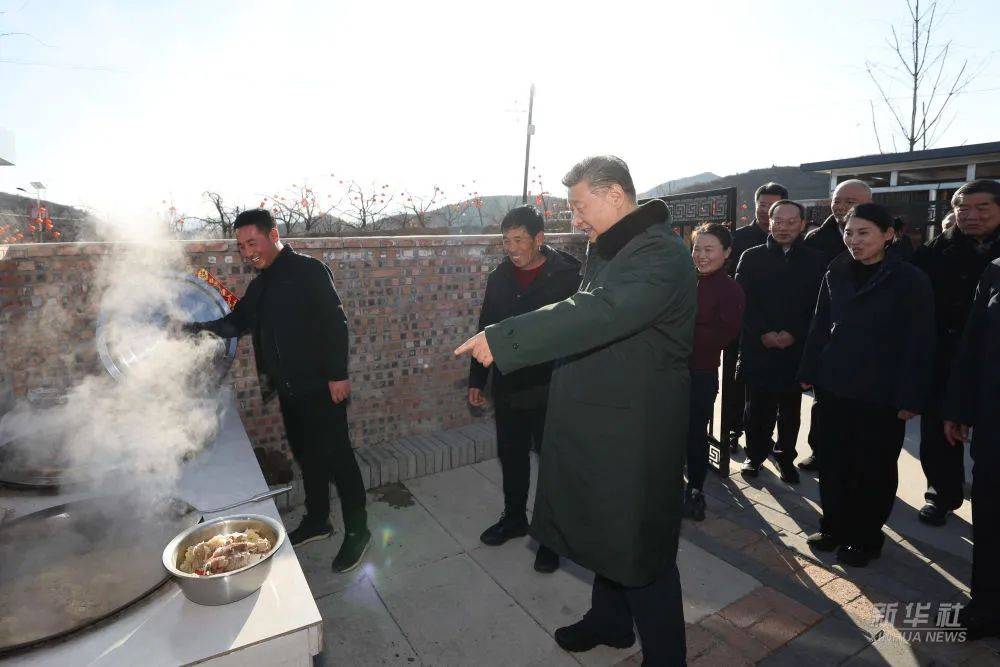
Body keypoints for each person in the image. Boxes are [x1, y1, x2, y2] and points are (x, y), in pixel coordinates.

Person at [455, 156, 696, 665]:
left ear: (615, 195)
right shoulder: (613, 248)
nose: (576, 219)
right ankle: (610, 622)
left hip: (637, 427)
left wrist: (507, 338)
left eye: (581, 206)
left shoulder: (659, 253)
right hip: (604, 418)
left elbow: (599, 312)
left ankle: (667, 657)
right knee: (607, 531)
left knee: (639, 546)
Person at [184, 209, 370, 573]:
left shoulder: (308, 271)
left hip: (321, 387)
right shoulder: (262, 284)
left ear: (274, 235)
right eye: (241, 246)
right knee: (308, 457)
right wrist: (191, 329)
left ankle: (358, 533)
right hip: (289, 391)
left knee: (339, 461)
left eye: (252, 242)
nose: (247, 252)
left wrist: (337, 375)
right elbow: (236, 322)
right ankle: (318, 520)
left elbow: (336, 323)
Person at [799, 203, 934, 567]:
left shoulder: (909, 279)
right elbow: (820, 323)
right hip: (835, 384)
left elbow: (919, 342)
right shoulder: (837, 269)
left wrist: (911, 395)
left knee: (872, 468)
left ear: (888, 234)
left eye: (863, 233)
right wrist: (809, 368)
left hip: (881, 392)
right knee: (834, 461)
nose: (853, 241)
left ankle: (865, 537)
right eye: (848, 232)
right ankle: (833, 527)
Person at [468, 205, 581, 573]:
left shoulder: (568, 276)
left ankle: (551, 536)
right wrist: (476, 380)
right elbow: (485, 328)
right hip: (510, 384)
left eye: (519, 240)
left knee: (552, 461)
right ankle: (514, 517)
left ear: (539, 238)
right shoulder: (499, 277)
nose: (512, 248)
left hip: (553, 385)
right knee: (512, 454)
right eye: (506, 241)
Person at [912, 179, 1000, 526]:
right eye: (962, 208)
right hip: (944, 356)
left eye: (982, 208)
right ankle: (941, 494)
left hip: (991, 359)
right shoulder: (936, 251)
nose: (971, 216)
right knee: (938, 431)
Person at [735, 200, 826, 484]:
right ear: (769, 222)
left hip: (795, 349)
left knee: (790, 409)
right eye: (778, 221)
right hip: (758, 346)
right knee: (757, 407)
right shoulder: (751, 257)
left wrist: (794, 333)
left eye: (791, 222)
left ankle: (786, 456)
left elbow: (819, 306)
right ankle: (755, 455)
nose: (784, 228)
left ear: (802, 224)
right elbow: (741, 301)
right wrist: (762, 332)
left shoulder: (816, 260)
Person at [799, 179, 873, 472]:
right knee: (824, 403)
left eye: (850, 201)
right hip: (827, 336)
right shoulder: (816, 238)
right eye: (837, 200)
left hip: (871, 344)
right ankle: (820, 451)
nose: (841, 207)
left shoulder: (890, 239)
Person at [945, 258, 1000, 640]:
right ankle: (985, 605)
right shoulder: (996, 270)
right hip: (994, 419)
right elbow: (974, 343)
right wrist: (960, 408)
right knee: (992, 515)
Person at [720, 182, 788, 453]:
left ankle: (762, 437)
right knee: (737, 385)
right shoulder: (737, 239)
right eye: (763, 205)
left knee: (770, 390)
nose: (766, 210)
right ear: (756, 204)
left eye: (773, 206)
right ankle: (733, 430)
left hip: (779, 329)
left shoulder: (792, 240)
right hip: (743, 324)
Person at [685, 223, 745, 521]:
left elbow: (723, 335)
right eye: (697, 248)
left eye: (709, 249)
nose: (701, 255)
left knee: (695, 435)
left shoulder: (730, 289)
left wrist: (678, 334)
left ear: (727, 252)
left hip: (700, 373)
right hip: (666, 372)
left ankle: (695, 491)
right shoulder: (681, 280)